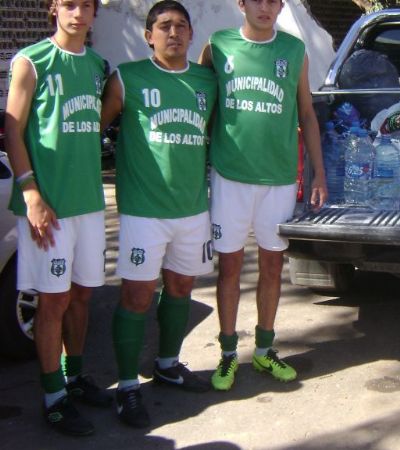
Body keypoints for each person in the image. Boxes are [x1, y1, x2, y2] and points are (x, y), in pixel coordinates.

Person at [100, 0, 218, 428]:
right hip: (142, 211)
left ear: (191, 35)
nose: (174, 33)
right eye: (164, 26)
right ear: (149, 35)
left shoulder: (207, 81)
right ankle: (127, 386)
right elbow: (92, 130)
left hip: (191, 209)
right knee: (135, 295)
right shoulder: (127, 79)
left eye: (182, 26)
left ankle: (168, 363)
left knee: (182, 286)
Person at [198, 0, 326, 391]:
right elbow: (200, 106)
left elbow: (306, 113)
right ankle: (227, 354)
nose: (265, 7)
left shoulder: (293, 50)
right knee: (230, 268)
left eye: (274, 0)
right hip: (230, 177)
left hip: (279, 178)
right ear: (241, 3)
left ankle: (266, 350)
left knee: (272, 267)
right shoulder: (217, 45)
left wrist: (318, 172)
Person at [4, 0, 112, 436]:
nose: (78, 13)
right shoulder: (31, 61)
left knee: (82, 295)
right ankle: (52, 397)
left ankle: (75, 376)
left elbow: (101, 120)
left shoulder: (100, 66)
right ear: (53, 9)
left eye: (86, 5)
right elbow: (12, 128)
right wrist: (30, 192)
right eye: (69, 3)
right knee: (53, 301)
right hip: (49, 206)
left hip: (89, 203)